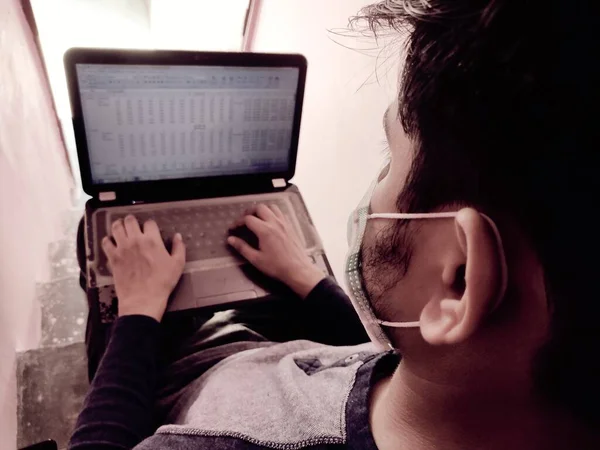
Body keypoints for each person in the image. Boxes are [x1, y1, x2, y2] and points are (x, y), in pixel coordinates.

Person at [69, 1, 600, 449]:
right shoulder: (468, 387)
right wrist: (308, 281)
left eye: (391, 156)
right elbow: (374, 355)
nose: (379, 184)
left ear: (458, 277)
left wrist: (138, 312)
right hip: (292, 346)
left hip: (170, 370)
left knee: (105, 251)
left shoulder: (208, 442)